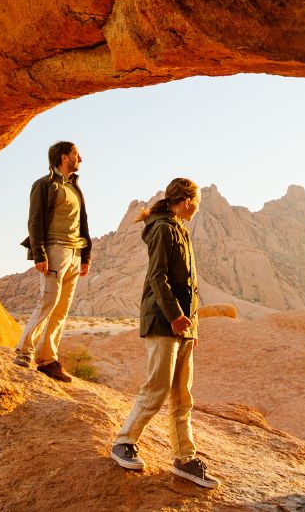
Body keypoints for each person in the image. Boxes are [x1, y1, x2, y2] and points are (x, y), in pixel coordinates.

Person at [109, 178, 219, 489]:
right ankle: (123, 442)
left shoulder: (178, 228)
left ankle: (185, 459)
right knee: (156, 389)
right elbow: (158, 277)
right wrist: (174, 317)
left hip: (182, 326)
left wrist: (191, 326)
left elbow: (188, 284)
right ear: (185, 200)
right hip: (163, 322)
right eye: (195, 201)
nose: (197, 207)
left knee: (183, 396)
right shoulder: (162, 228)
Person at [13, 141, 91, 382]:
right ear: (64, 157)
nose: (81, 159)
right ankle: (24, 351)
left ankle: (47, 359)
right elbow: (34, 221)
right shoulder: (44, 185)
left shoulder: (75, 187)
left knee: (61, 310)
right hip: (54, 249)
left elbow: (83, 223)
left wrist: (86, 255)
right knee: (48, 301)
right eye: (77, 155)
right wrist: (39, 254)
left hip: (75, 253)